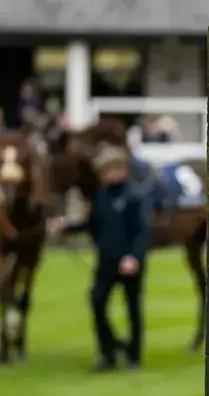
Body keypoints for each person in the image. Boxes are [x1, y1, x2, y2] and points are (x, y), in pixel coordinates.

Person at [64, 145, 150, 372]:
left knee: (133, 308)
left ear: (121, 170)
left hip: (130, 262)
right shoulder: (101, 195)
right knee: (97, 303)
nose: (106, 175)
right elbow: (93, 224)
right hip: (106, 261)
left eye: (110, 170)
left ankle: (134, 357)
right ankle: (108, 353)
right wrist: (68, 227)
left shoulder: (134, 196)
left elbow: (141, 230)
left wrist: (134, 257)